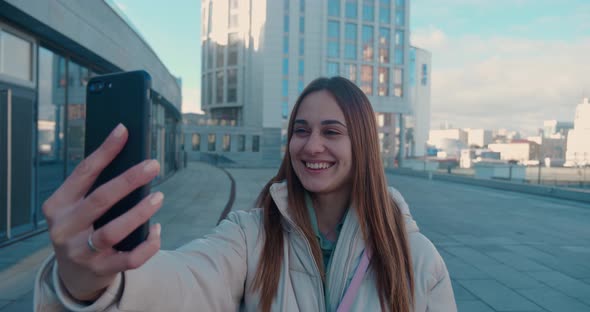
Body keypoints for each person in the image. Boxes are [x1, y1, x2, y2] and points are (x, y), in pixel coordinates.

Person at [34, 77, 457, 311]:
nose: (312, 146)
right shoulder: (251, 237)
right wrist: (95, 281)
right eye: (301, 130)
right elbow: (186, 280)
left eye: (332, 132)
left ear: (363, 144)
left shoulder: (418, 259)